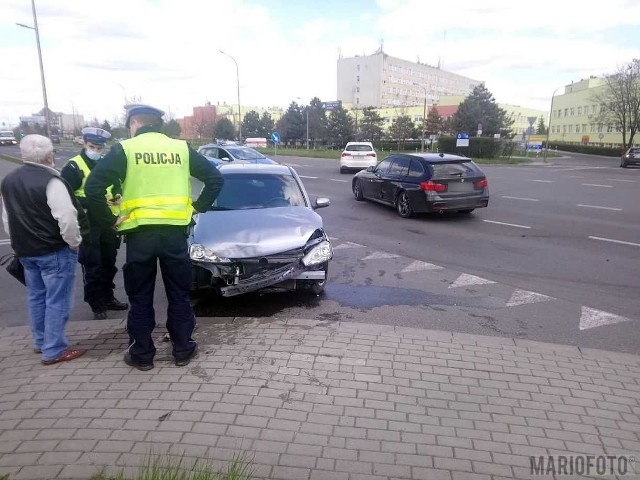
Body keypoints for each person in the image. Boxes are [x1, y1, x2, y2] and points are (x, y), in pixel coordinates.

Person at [85, 104, 224, 371]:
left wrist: (110, 221)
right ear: (157, 124)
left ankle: (142, 354)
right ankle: (182, 350)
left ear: (135, 123)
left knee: (140, 297)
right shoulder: (181, 148)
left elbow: (93, 188)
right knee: (179, 295)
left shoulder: (125, 149)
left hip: (140, 235)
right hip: (174, 234)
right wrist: (198, 207)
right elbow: (215, 179)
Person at [1, 134, 89, 365]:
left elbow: (7, 217)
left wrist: (18, 242)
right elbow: (67, 217)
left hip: (26, 250)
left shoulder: (9, 180)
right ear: (50, 155)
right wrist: (74, 241)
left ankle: (40, 341)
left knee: (37, 296)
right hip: (53, 250)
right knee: (57, 300)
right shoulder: (52, 181)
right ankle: (54, 349)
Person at [61, 127, 128, 320]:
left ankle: (108, 297)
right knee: (92, 265)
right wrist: (90, 202)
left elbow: (115, 185)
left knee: (109, 264)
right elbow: (65, 197)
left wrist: (116, 196)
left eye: (100, 148)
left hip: (107, 221)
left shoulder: (107, 165)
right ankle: (96, 303)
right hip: (87, 222)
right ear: (84, 144)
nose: (96, 151)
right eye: (93, 147)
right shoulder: (74, 167)